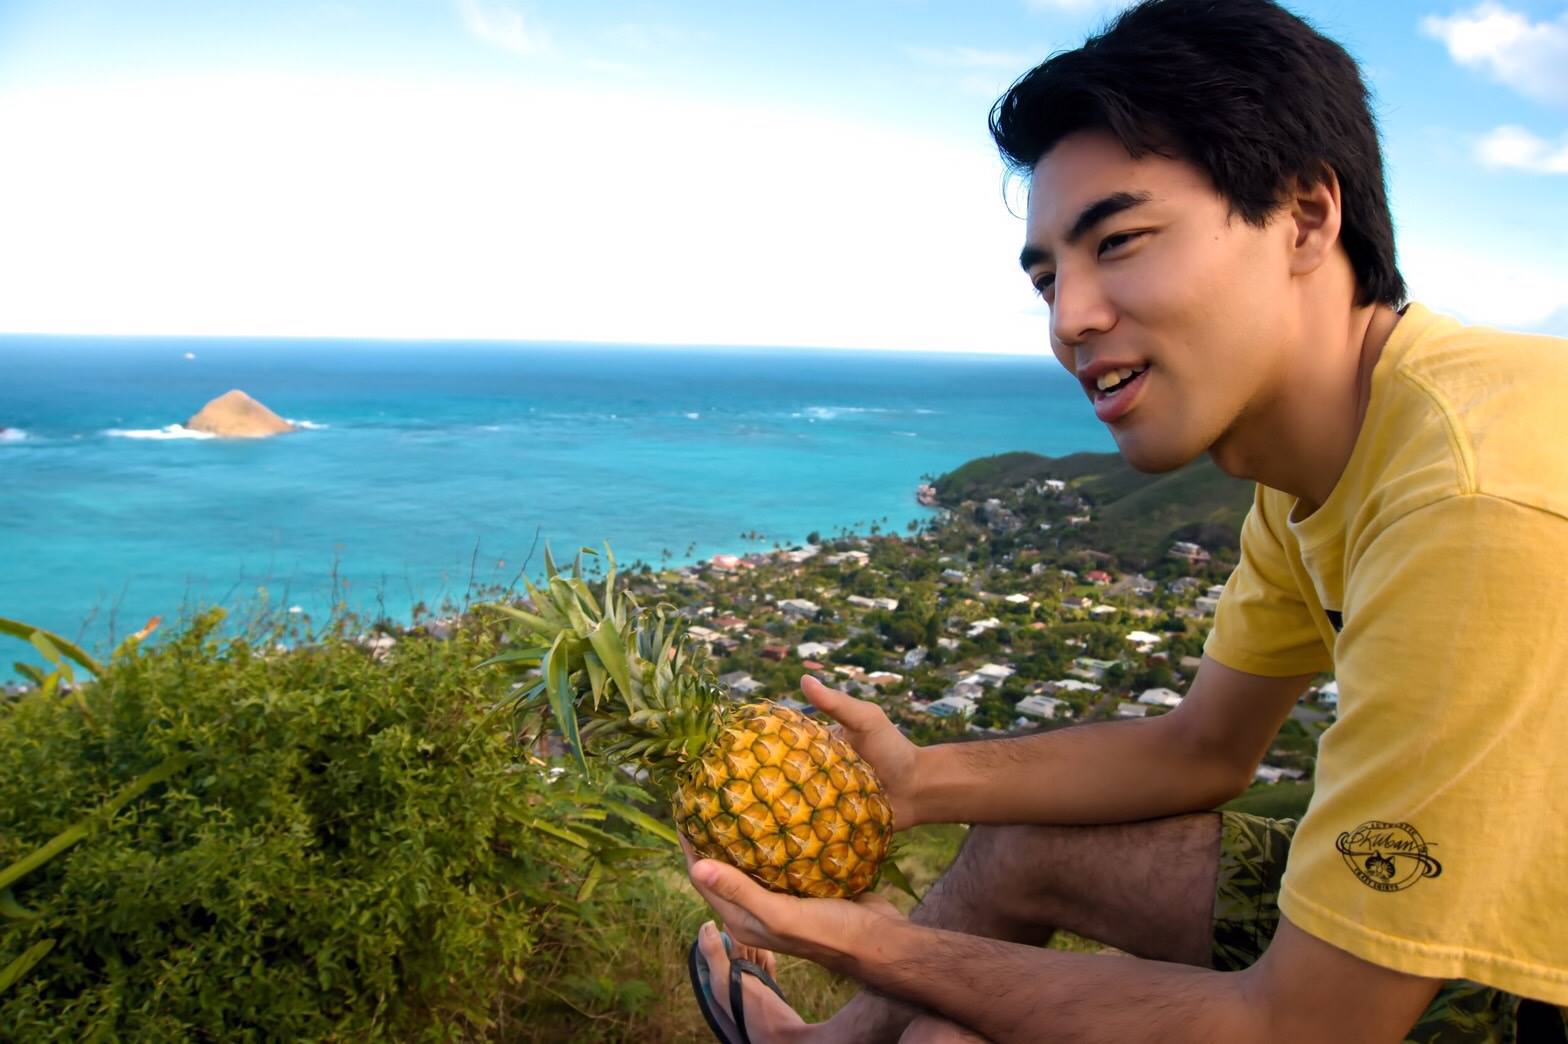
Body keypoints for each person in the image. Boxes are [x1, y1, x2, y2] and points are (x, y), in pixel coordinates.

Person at [682, 0, 1568, 1040]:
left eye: (1121, 241)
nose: (1069, 319)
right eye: (1049, 275)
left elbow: (1302, 1029)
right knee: (1018, 848)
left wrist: (866, 940)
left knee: (953, 1026)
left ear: (1304, 216)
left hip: (1533, 990)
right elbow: (1201, 750)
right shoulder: (1316, 461)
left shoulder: (1470, 501)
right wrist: (915, 783)